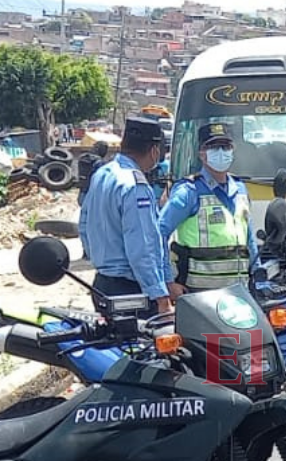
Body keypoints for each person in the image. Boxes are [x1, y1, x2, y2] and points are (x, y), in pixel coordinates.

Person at [78, 116, 174, 317]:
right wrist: (160, 296)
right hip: (131, 290)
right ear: (155, 150)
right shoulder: (135, 186)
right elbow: (142, 247)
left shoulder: (103, 174)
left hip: (103, 283)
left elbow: (84, 225)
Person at [158, 122, 258, 294]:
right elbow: (159, 233)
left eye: (225, 146)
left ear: (232, 150)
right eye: (213, 147)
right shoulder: (189, 191)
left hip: (239, 291)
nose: (220, 152)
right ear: (202, 154)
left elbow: (249, 238)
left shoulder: (240, 189)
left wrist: (258, 272)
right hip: (199, 294)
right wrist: (168, 281)